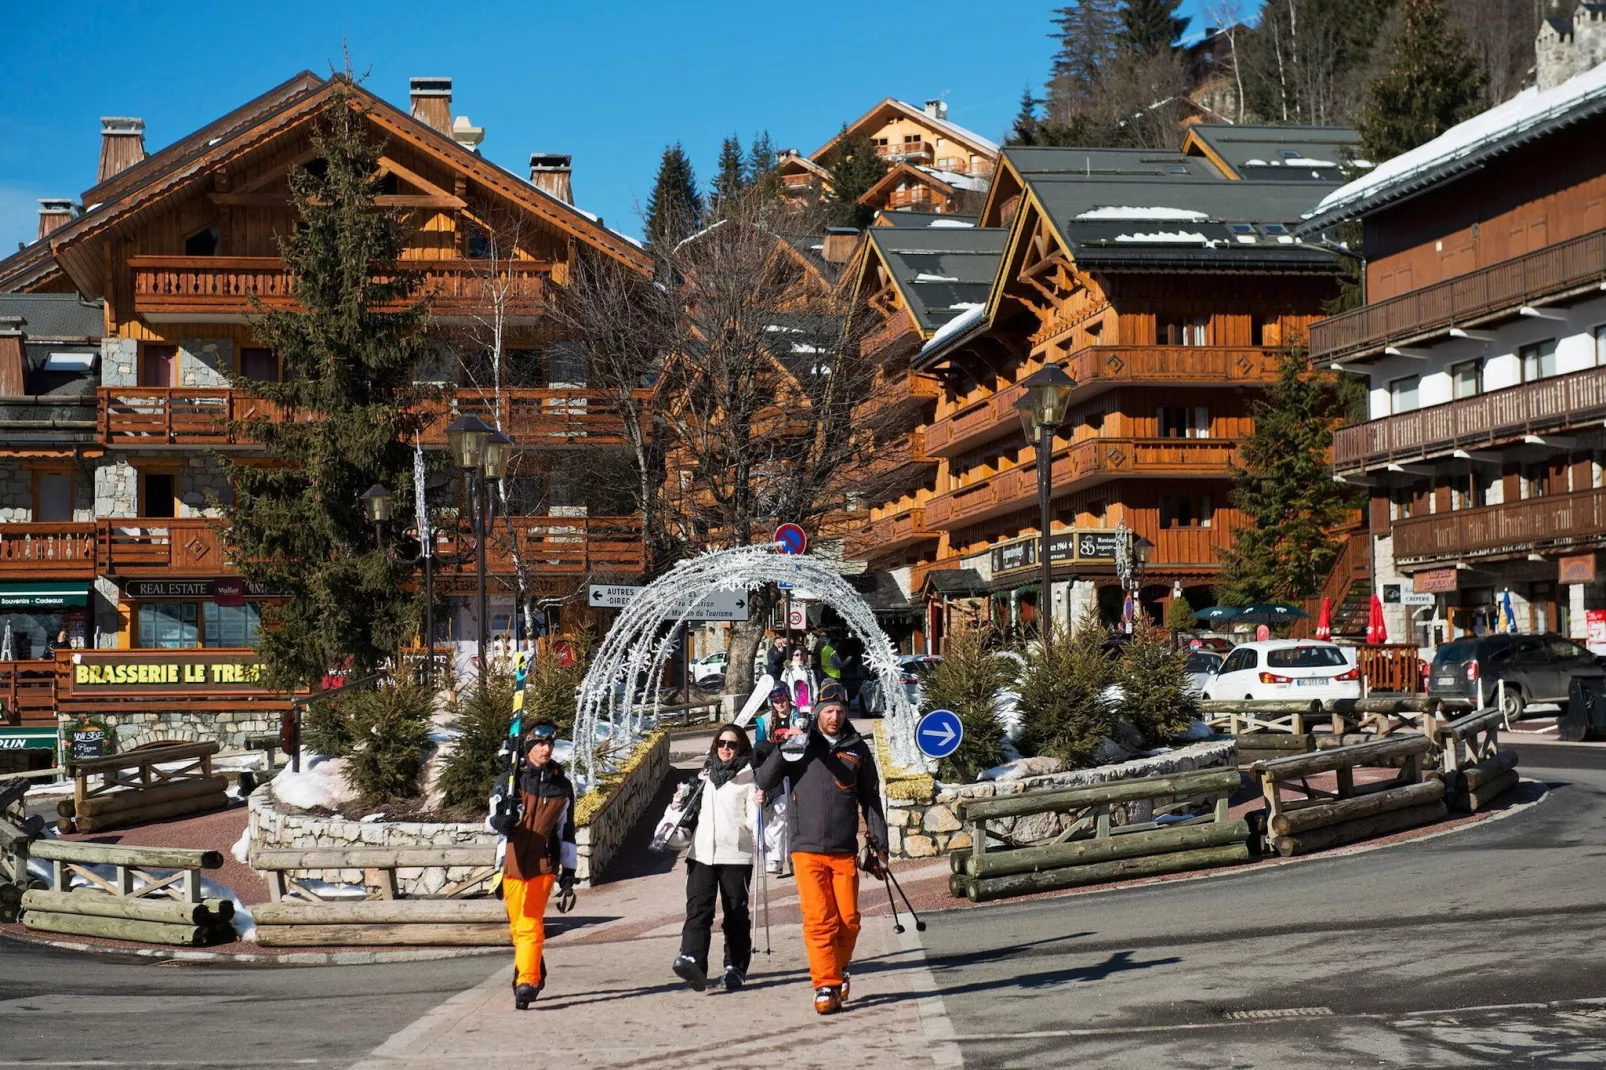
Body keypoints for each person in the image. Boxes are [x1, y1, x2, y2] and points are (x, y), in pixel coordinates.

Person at [755, 680, 888, 1016]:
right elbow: (764, 780)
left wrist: (879, 844)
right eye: (828, 710)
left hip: (844, 848)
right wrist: (787, 747)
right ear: (817, 711)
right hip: (806, 847)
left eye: (840, 711)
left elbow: (870, 797)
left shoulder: (857, 747)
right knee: (819, 919)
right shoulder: (802, 742)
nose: (835, 716)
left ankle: (839, 968)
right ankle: (825, 985)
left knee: (849, 920)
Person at [488, 719, 577, 1010]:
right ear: (528, 747)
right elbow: (491, 819)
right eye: (540, 743)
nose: (546, 748)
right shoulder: (510, 781)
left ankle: (526, 981)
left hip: (543, 863)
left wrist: (569, 874)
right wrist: (501, 820)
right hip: (511, 861)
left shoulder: (561, 786)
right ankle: (535, 968)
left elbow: (566, 830)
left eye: (550, 743)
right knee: (518, 929)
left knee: (529, 922)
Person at [673, 724, 759, 992]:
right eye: (721, 743)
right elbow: (690, 813)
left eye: (732, 745)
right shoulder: (703, 776)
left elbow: (754, 824)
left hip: (735, 855)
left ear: (741, 748)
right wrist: (677, 804)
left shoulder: (749, 779)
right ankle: (694, 961)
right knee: (698, 910)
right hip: (701, 854)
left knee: (734, 914)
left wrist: (760, 806)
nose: (725, 749)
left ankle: (734, 967)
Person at [753, 686, 794, 876]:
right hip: (775, 770)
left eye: (782, 699)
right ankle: (775, 857)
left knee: (795, 814)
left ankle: (794, 856)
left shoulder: (799, 715)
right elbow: (759, 747)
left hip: (796, 768)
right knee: (777, 812)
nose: (780, 703)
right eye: (776, 701)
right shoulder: (765, 721)